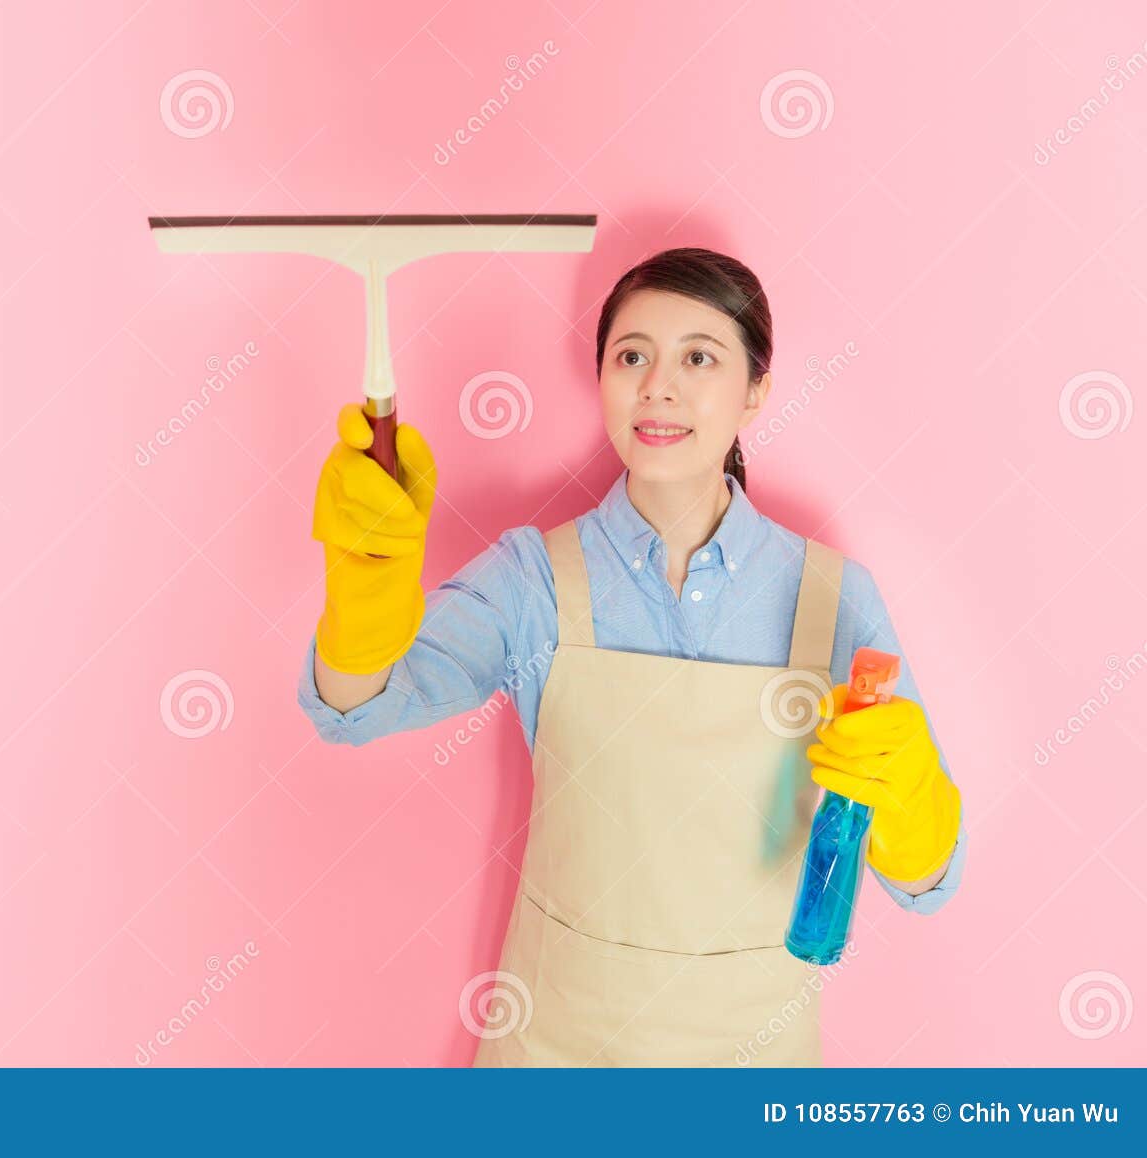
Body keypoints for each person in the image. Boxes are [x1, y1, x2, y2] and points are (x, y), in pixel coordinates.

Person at [297, 246, 965, 1066]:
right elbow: (358, 709)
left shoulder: (833, 599)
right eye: (632, 356)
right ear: (604, 379)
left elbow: (929, 883)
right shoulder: (534, 579)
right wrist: (366, 589)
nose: (660, 385)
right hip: (556, 1057)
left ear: (756, 390)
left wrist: (911, 797)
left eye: (699, 357)